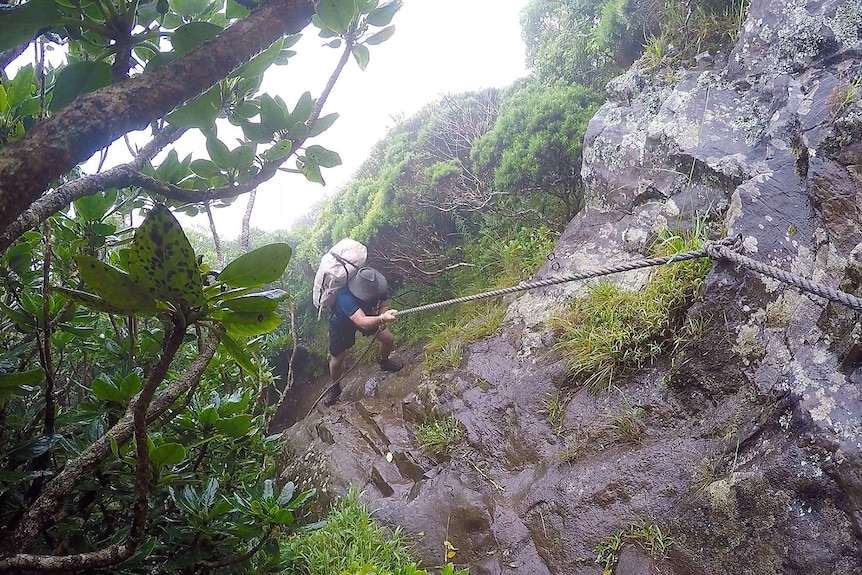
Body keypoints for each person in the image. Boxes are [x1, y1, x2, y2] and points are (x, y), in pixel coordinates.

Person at [323, 267, 403, 406]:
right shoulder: (344, 297)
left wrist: (382, 317)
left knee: (387, 339)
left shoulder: (378, 285)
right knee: (337, 358)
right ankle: (335, 387)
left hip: (366, 315)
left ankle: (384, 362)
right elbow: (361, 321)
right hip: (341, 323)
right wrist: (381, 318)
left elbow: (384, 304)